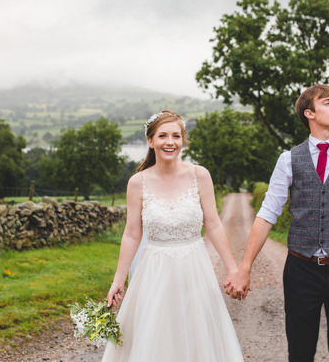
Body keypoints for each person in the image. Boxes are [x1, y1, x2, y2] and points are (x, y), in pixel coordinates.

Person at [224, 84, 329, 362]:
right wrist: (245, 267)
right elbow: (268, 213)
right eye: (328, 103)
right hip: (301, 271)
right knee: (300, 353)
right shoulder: (288, 159)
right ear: (310, 113)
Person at [102, 110, 244, 362]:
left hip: (194, 269)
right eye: (163, 136)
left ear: (183, 140)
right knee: (155, 339)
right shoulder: (137, 182)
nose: (170, 142)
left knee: (196, 337)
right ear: (150, 141)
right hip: (154, 272)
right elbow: (132, 234)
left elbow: (213, 224)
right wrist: (118, 281)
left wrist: (233, 269)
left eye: (176, 136)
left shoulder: (200, 175)